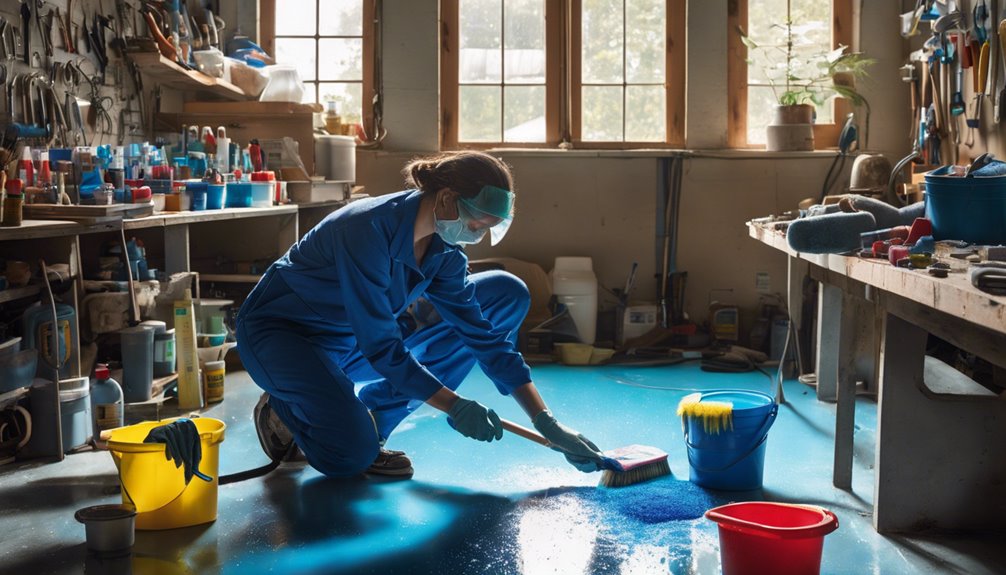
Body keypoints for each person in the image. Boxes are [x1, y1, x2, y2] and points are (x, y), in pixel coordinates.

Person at [236, 151, 606, 478]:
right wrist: (454, 404)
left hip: (353, 342)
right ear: (446, 198)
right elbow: (382, 347)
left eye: (486, 229)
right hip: (285, 340)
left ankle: (376, 422)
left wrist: (546, 421)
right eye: (476, 224)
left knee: (504, 293)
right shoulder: (365, 229)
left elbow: (483, 336)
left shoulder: (443, 249)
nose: (476, 235)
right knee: (349, 458)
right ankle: (286, 406)